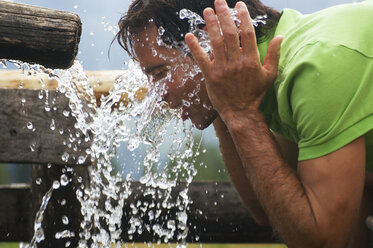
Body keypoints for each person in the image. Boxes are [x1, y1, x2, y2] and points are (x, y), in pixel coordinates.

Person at [115, 0, 373, 247]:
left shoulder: (313, 68)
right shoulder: (278, 82)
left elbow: (320, 241)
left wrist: (240, 113)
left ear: (211, 42)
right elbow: (268, 211)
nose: (158, 95)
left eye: (160, 73)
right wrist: (223, 103)